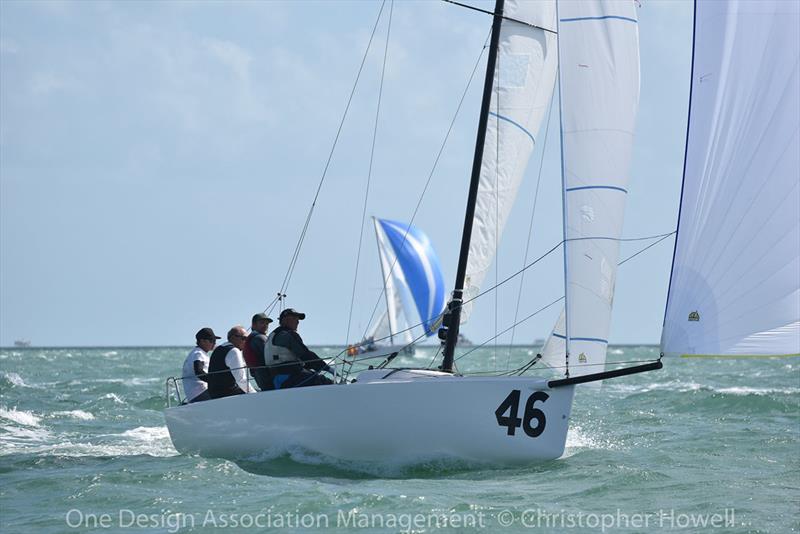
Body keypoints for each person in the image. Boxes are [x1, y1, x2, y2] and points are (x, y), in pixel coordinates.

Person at [263, 308, 334, 390]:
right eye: (294, 318)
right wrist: (327, 368)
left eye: (297, 319)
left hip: (277, 379)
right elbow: (305, 354)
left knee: (313, 375)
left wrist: (313, 366)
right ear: (284, 320)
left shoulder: (272, 335)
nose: (297, 321)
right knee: (323, 381)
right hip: (289, 378)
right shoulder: (287, 335)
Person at [207, 326, 252, 399]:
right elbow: (241, 379)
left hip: (213, 394)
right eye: (244, 338)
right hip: (227, 394)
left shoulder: (219, 349)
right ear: (233, 338)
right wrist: (254, 394)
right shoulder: (234, 351)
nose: (246, 342)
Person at [181, 327, 219, 403]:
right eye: (212, 340)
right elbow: (199, 371)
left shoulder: (197, 352)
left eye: (215, 341)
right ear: (202, 341)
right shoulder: (198, 353)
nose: (214, 343)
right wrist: (215, 382)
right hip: (200, 392)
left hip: (194, 394)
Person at [242, 313, 273, 391]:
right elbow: (270, 356)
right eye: (262, 323)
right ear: (254, 325)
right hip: (266, 375)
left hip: (258, 375)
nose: (265, 325)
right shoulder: (259, 338)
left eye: (267, 323)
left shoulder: (252, 337)